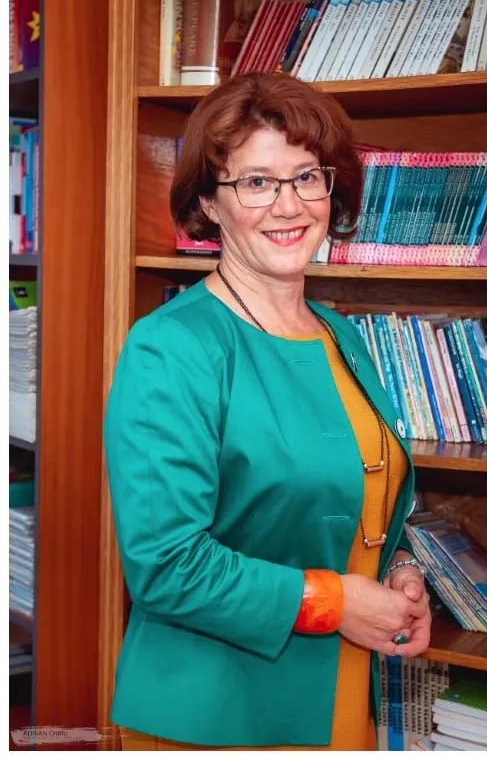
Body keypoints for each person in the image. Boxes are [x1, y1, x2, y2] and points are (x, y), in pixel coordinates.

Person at [103, 72, 431, 751]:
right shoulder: (171, 347)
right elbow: (166, 565)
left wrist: (399, 569)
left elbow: (351, 499)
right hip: (218, 712)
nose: (289, 204)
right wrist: (338, 601)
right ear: (209, 202)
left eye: (306, 177)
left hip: (343, 690)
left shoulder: (342, 334)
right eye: (256, 182)